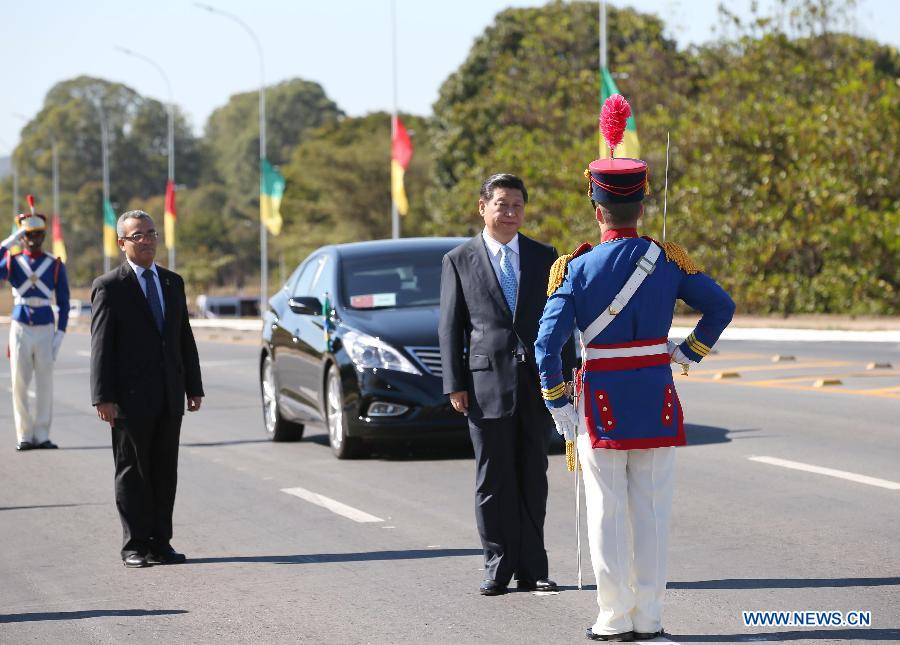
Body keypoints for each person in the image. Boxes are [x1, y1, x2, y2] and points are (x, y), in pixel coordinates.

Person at [535, 97, 735, 641]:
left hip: (599, 399)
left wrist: (560, 407)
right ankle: (650, 617)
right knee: (651, 512)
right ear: (640, 206)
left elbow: (545, 346)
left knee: (606, 513)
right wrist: (688, 352)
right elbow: (721, 306)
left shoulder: (573, 268)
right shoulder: (669, 260)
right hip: (656, 394)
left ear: (598, 210)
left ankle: (612, 616)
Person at [439, 173, 576, 596]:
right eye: (502, 205)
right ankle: (497, 568)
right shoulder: (459, 260)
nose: (510, 213)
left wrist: (566, 377)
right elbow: (450, 327)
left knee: (533, 476)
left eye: (517, 205)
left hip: (537, 386)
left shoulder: (544, 256)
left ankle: (534, 569)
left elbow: (561, 323)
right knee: (493, 479)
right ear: (483, 207)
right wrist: (454, 384)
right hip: (484, 386)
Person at [90, 210, 204, 568]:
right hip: (129, 399)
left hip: (169, 395)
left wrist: (193, 386)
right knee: (132, 471)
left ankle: (160, 542)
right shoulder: (110, 286)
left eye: (152, 233)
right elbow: (102, 346)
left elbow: (183, 337)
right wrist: (103, 397)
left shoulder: (172, 282)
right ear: (121, 242)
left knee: (163, 471)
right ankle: (134, 545)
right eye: (138, 235)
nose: (148, 240)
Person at [0, 195, 69, 451]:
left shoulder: (54, 265)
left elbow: (63, 302)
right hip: (20, 326)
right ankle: (24, 435)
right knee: (19, 383)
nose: (33, 239)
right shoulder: (13, 262)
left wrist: (60, 335)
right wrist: (9, 242)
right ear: (23, 236)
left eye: (38, 234)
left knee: (45, 383)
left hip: (45, 327)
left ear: (43, 236)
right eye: (28, 235)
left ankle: (42, 434)